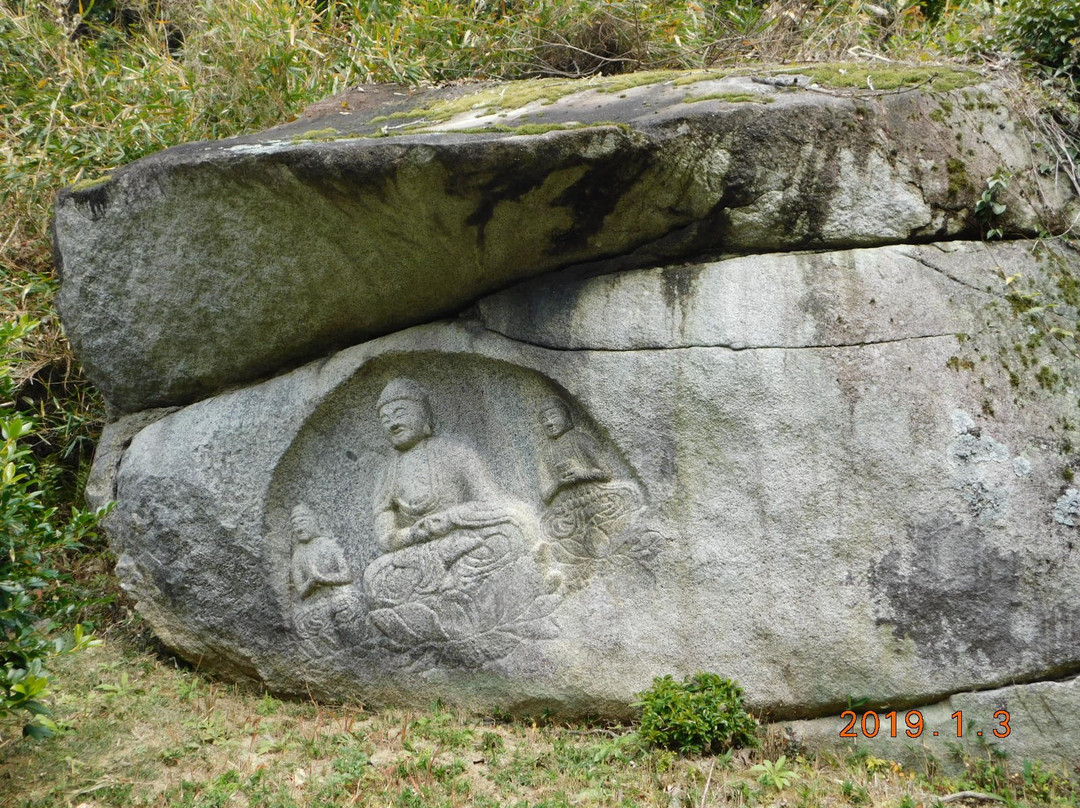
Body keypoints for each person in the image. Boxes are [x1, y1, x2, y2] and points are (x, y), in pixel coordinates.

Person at [536, 396, 610, 504]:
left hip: (594, 498)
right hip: (566, 506)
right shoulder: (545, 454)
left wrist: (583, 474)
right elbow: (545, 496)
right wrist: (558, 483)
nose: (549, 423)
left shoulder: (581, 439)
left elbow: (606, 473)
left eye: (554, 416)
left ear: (566, 416)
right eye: (544, 420)